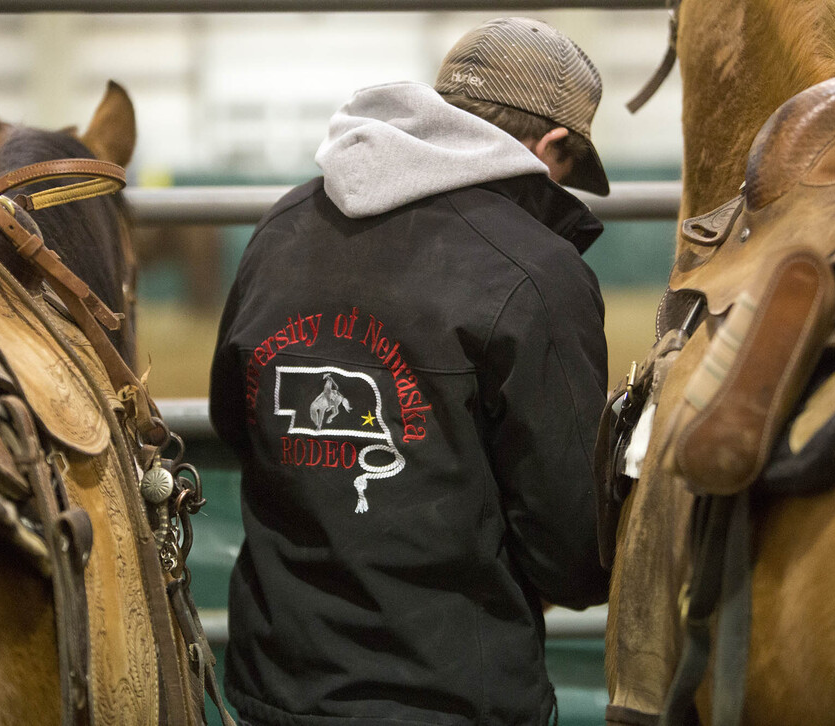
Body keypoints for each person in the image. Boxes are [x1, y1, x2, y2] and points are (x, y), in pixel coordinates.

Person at [209, 16, 611, 726]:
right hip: (452, 696)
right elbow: (572, 552)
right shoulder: (537, 271)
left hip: (273, 682)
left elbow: (236, 425)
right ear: (553, 146)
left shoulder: (280, 226)